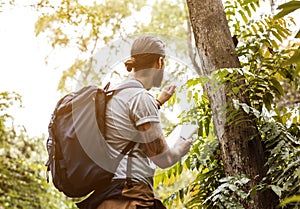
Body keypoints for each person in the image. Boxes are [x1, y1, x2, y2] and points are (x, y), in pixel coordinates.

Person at [78, 36, 193, 209]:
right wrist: (181, 146)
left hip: (107, 197)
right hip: (130, 196)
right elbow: (163, 159)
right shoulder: (140, 98)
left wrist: (158, 103)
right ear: (159, 62)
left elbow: (125, 126)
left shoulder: (112, 93)